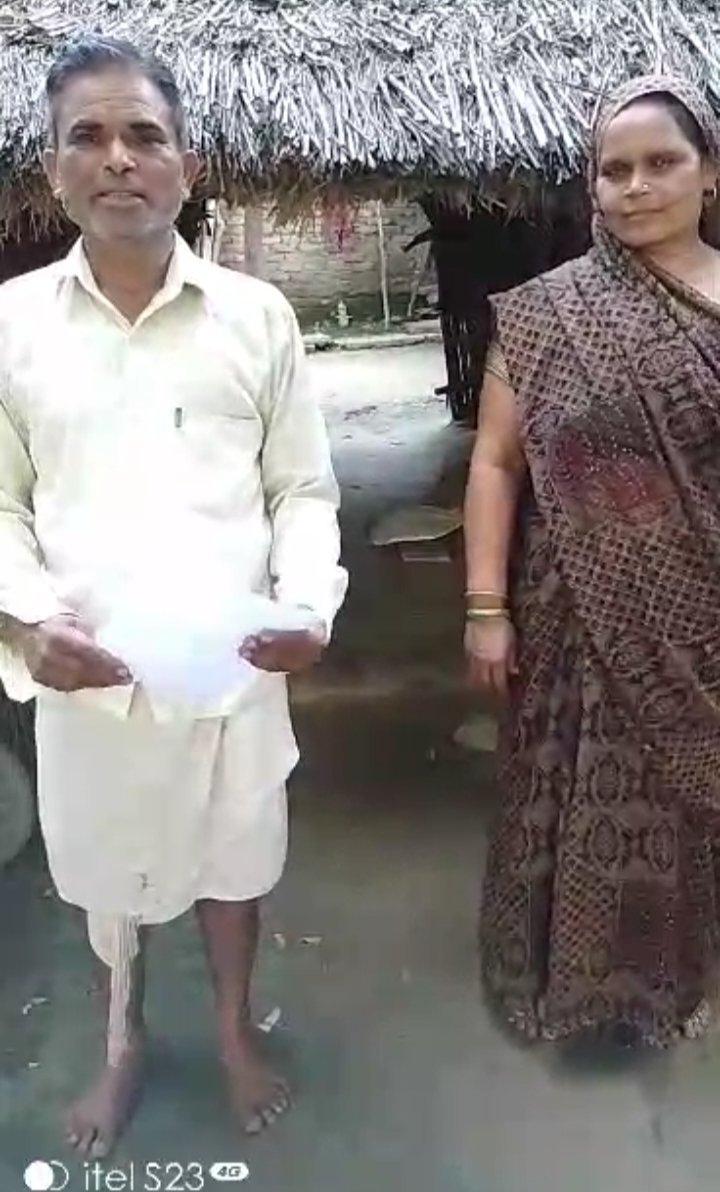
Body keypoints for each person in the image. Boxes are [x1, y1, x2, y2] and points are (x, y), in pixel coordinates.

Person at [0, 36, 346, 1154]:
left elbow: (301, 489)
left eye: (144, 135)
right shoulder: (11, 327)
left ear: (186, 167)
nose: (118, 158)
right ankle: (123, 1045)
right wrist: (26, 623)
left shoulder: (258, 317)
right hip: (88, 676)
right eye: (88, 138)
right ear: (52, 173)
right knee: (108, 875)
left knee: (234, 860)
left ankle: (236, 1032)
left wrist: (308, 605)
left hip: (230, 671)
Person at [464, 74, 720, 1047]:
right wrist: (486, 606)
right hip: (577, 607)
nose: (636, 186)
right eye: (615, 170)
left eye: (662, 163)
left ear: (709, 174)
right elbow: (496, 462)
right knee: (578, 795)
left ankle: (681, 981)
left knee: (690, 801)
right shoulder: (546, 315)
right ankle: (576, 985)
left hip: (706, 612)